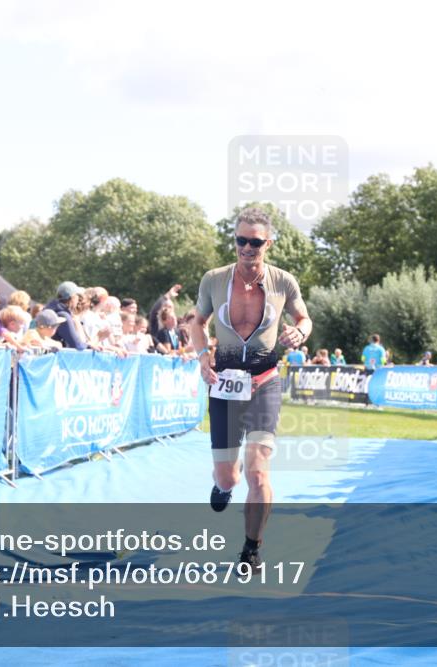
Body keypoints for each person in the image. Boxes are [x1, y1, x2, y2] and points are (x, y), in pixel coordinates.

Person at [191, 206, 312, 570]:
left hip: (264, 382)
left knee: (258, 469)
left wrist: (300, 332)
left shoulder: (284, 281)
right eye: (241, 240)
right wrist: (201, 355)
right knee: (228, 474)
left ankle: (251, 547)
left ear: (268, 243)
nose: (247, 247)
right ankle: (224, 485)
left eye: (255, 242)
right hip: (225, 383)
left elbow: (304, 318)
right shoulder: (214, 279)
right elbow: (197, 322)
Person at [46, 281, 89, 350]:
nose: (78, 300)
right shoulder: (63, 316)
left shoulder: (49, 310)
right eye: (77, 296)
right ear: (73, 298)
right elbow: (78, 345)